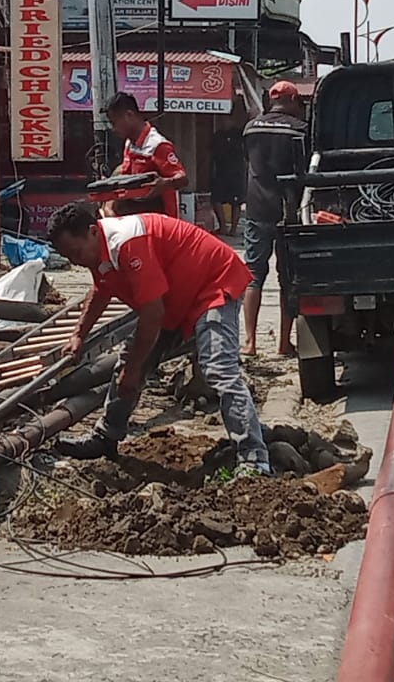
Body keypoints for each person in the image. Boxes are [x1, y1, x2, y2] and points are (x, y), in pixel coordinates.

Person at [48, 201, 271, 474]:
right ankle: (106, 437)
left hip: (212, 284)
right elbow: (100, 290)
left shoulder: (127, 244)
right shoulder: (98, 252)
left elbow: (152, 315)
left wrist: (134, 372)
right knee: (129, 360)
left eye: (76, 252)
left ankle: (254, 457)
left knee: (219, 370)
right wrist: (78, 335)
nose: (76, 261)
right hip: (175, 298)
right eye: (69, 257)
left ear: (93, 231)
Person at [240, 80, 307, 357]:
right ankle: (283, 344)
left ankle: (250, 342)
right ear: (292, 100)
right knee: (287, 278)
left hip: (256, 209)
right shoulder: (299, 130)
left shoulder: (250, 129)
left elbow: (250, 162)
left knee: (253, 276)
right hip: (287, 211)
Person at [106, 92, 188, 218]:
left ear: (129, 115)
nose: (113, 128)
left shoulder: (157, 144)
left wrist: (165, 183)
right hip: (136, 217)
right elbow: (123, 175)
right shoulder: (129, 143)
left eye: (114, 123)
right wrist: (109, 204)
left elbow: (182, 179)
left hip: (161, 219)